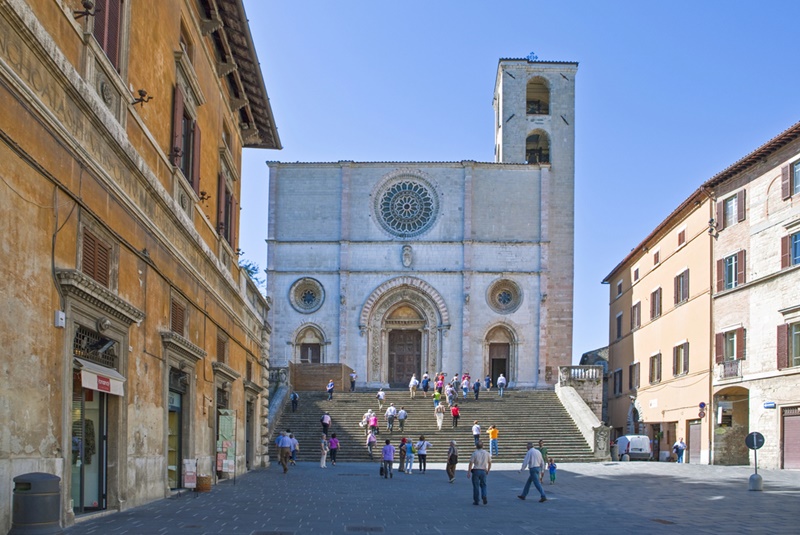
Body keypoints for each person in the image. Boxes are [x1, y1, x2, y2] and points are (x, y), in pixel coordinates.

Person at [467, 440, 492, 505]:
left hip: (476, 470)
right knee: (483, 485)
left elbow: (471, 463)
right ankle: (484, 495)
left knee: (476, 486)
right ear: (483, 446)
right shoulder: (487, 453)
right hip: (483, 470)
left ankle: (476, 500)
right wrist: (488, 470)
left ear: (476, 446)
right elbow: (489, 463)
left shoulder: (475, 453)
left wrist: (469, 472)